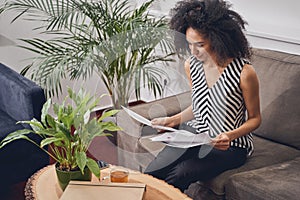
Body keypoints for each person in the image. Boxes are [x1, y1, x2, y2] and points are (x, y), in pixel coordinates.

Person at [144, 0, 261, 192]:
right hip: (195, 136)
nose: (193, 51)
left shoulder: (244, 72)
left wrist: (229, 135)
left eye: (200, 44)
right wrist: (171, 120)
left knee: (181, 172)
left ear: (218, 39)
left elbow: (255, 118)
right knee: (153, 171)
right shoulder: (192, 65)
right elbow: (200, 105)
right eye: (189, 44)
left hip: (230, 146)